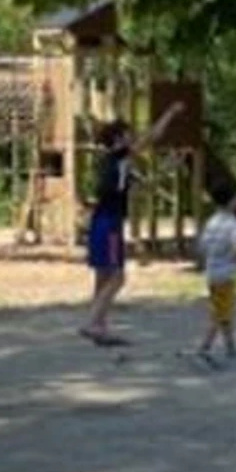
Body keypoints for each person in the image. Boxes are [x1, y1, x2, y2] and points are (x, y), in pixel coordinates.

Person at [79, 99, 185, 348]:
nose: (133, 138)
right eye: (128, 135)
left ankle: (100, 327)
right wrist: (169, 113)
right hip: (110, 223)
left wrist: (168, 168)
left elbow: (145, 185)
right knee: (117, 277)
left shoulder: (114, 163)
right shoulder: (120, 156)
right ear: (119, 139)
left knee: (103, 276)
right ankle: (92, 323)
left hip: (99, 222)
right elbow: (151, 136)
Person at [190, 176, 236, 368]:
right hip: (227, 275)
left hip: (212, 273)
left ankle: (231, 348)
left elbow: (202, 247)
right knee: (220, 313)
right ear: (232, 201)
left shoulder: (211, 223)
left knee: (224, 312)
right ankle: (203, 350)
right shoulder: (234, 224)